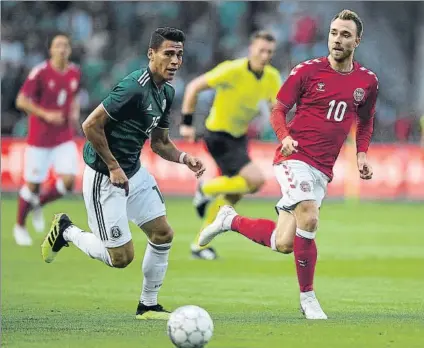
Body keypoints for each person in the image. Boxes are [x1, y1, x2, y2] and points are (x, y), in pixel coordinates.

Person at [198, 9, 378, 320]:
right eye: (334, 32)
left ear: (357, 41)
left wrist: (361, 152)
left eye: (345, 34)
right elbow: (279, 109)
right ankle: (308, 299)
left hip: (322, 168)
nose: (337, 39)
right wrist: (283, 137)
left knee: (283, 243)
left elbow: (365, 121)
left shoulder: (367, 82)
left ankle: (229, 220)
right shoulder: (306, 71)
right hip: (293, 157)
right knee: (309, 217)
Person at [41, 27, 206, 320]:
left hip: (133, 172)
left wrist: (183, 158)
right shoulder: (133, 87)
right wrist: (114, 166)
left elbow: (159, 142)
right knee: (120, 258)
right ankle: (66, 230)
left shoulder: (166, 91)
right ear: (151, 54)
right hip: (105, 176)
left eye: (179, 55)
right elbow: (91, 125)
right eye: (168, 54)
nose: (175, 61)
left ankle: (148, 305)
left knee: (163, 233)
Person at [180, 31, 282, 260]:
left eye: (269, 52)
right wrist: (186, 123)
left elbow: (278, 109)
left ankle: (199, 245)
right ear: (251, 49)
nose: (264, 56)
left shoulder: (272, 77)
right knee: (255, 181)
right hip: (218, 135)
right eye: (261, 51)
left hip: (239, 138)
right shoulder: (232, 69)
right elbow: (193, 87)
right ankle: (205, 189)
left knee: (233, 195)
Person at [13, 32, 81, 246]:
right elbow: (21, 101)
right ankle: (20, 225)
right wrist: (46, 114)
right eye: (58, 45)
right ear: (51, 50)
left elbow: (73, 96)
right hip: (39, 139)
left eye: (65, 45)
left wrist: (74, 113)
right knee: (32, 185)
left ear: (69, 50)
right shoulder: (40, 72)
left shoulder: (74, 73)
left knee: (69, 182)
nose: (62, 49)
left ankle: (38, 204)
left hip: (63, 136)